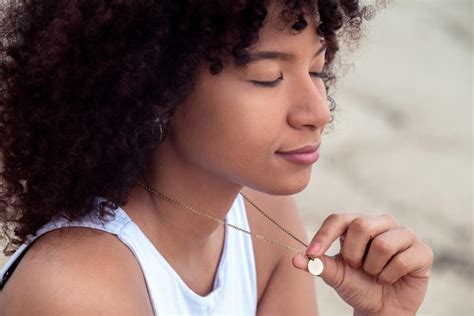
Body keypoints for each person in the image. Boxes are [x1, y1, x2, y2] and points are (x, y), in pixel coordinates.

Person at [0, 0, 433, 315]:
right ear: (156, 90)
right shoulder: (77, 290)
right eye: (269, 77)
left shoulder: (265, 217)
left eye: (317, 70)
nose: (318, 112)